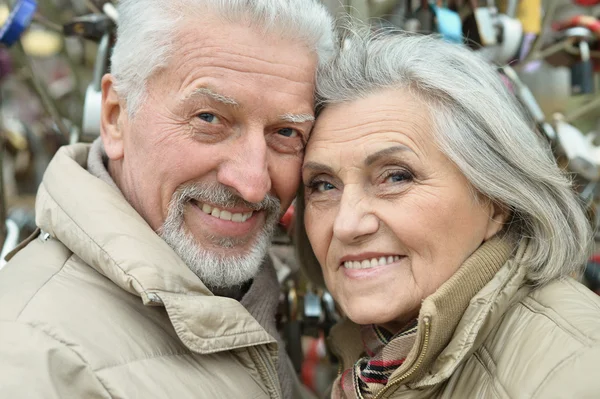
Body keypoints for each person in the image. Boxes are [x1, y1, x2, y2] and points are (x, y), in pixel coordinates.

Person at [0, 1, 334, 398]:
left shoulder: (252, 288)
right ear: (114, 117)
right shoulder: (37, 363)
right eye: (209, 118)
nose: (253, 184)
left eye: (285, 133)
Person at [296, 28, 600, 398]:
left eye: (396, 177)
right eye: (323, 185)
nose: (346, 224)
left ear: (494, 199)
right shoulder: (375, 357)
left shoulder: (575, 376)